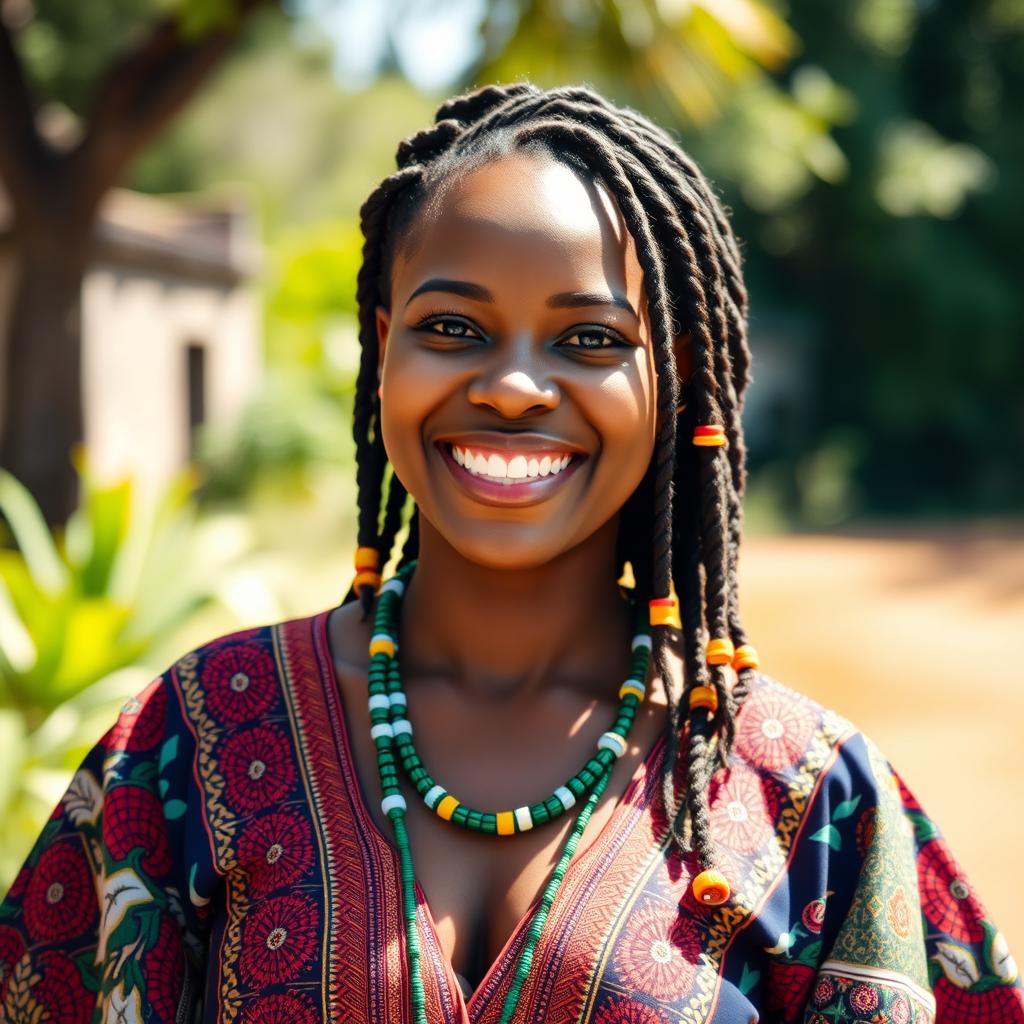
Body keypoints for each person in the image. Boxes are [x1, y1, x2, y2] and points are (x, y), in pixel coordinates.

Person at [0, 82, 1020, 1024]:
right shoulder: (204, 730)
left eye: (588, 341)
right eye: (453, 326)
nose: (514, 387)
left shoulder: (802, 792)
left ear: (678, 377)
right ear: (382, 339)